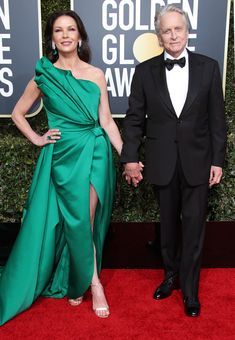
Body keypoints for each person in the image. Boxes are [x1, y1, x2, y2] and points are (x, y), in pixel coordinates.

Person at [0, 10, 123, 325]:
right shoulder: (44, 75)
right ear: (52, 38)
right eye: (59, 30)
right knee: (76, 221)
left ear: (80, 35)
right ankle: (87, 281)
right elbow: (17, 113)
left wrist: (127, 154)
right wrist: (37, 138)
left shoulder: (96, 74)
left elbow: (106, 120)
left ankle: (88, 282)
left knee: (87, 219)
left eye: (71, 29)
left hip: (95, 151)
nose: (66, 35)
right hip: (64, 155)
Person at [121, 5, 226, 317]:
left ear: (187, 30)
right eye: (166, 30)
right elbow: (134, 119)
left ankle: (191, 292)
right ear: (159, 36)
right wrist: (129, 157)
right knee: (167, 227)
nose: (173, 35)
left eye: (177, 28)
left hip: (198, 160)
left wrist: (217, 160)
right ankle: (170, 276)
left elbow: (217, 120)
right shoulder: (144, 71)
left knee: (194, 227)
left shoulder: (209, 67)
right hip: (162, 160)